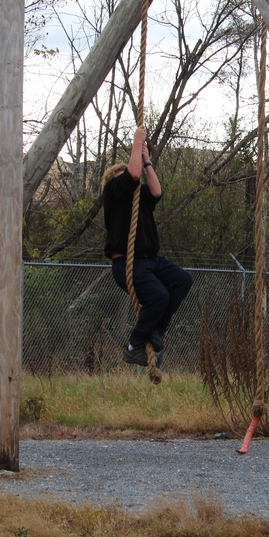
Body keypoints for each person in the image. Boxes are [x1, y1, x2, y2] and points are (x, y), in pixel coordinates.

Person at [102, 125, 193, 367]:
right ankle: (134, 346)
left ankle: (155, 331)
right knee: (159, 296)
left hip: (151, 260)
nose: (130, 177)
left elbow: (156, 191)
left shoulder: (139, 197)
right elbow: (131, 175)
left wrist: (148, 162)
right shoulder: (113, 192)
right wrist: (136, 142)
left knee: (183, 280)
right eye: (122, 174)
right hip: (128, 263)